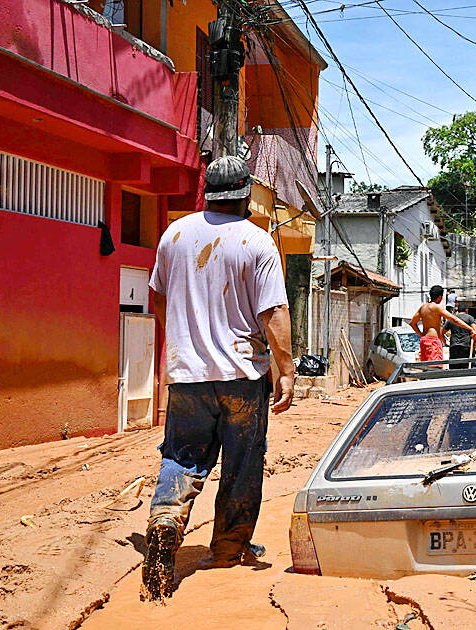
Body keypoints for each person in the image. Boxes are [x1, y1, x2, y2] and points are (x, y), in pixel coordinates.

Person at [141, 156, 295, 601]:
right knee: (242, 463)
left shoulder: (175, 234)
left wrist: (178, 349)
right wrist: (286, 372)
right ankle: (229, 548)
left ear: (206, 190)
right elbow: (273, 312)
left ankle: (167, 516)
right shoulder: (257, 241)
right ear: (246, 192)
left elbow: (158, 300)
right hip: (243, 376)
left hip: (187, 377)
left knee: (182, 456)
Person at [410, 285, 476, 364]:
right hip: (433, 342)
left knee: (426, 367)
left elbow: (412, 323)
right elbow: (454, 319)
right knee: (435, 367)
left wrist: (421, 334)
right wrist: (470, 328)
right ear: (440, 297)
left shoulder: (423, 308)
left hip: (424, 341)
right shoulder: (437, 307)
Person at [444, 298, 476, 369]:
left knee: (454, 368)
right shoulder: (470, 318)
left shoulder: (452, 319)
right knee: (466, 368)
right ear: (466, 310)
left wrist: (445, 342)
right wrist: (474, 344)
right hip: (466, 346)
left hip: (454, 346)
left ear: (458, 310)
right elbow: (475, 331)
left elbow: (441, 332)